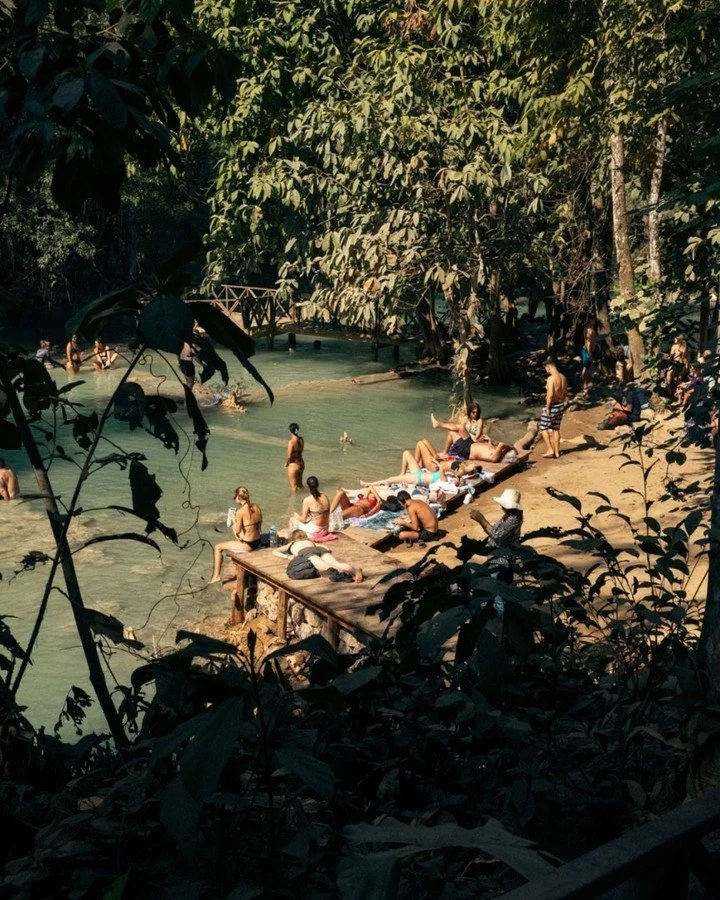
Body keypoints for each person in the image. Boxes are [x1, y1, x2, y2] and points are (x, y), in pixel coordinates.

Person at [470, 488, 523, 585]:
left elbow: (496, 535)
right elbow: (494, 532)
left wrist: (481, 519)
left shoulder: (513, 519)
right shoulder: (509, 516)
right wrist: (481, 521)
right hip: (498, 557)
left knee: (498, 587)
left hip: (502, 560)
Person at [209, 487, 263, 583]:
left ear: (238, 498)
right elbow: (258, 526)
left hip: (248, 546)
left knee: (218, 547)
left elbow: (237, 531)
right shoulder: (256, 507)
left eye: (235, 497)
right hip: (257, 541)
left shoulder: (240, 512)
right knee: (245, 529)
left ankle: (216, 576)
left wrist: (233, 518)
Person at [273, 531, 364, 583]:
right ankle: (355, 571)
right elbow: (326, 547)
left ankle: (346, 576)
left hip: (306, 553)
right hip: (319, 550)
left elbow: (275, 551)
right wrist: (327, 552)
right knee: (337, 563)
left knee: (328, 567)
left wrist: (287, 557)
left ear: (292, 538)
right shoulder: (309, 541)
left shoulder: (291, 543)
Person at [539, 355, 568, 459]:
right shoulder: (563, 377)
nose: (546, 371)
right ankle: (557, 452)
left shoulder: (551, 378)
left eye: (546, 369)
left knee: (543, 427)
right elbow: (565, 392)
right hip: (561, 405)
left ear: (549, 367)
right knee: (556, 428)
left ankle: (550, 449)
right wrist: (562, 402)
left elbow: (550, 394)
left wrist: (547, 407)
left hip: (552, 405)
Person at [285, 423, 305, 493]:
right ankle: (302, 498)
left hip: (293, 464)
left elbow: (289, 456)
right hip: (301, 463)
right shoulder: (301, 439)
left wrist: (287, 463)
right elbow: (301, 450)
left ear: (290, 431)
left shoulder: (291, 442)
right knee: (300, 485)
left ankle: (292, 503)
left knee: (293, 487)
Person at [580, 326, 600, 393]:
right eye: (589, 333)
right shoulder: (588, 342)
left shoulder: (593, 340)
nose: (591, 334)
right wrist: (591, 360)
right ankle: (585, 385)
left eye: (592, 333)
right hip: (586, 354)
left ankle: (586, 384)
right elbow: (589, 352)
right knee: (586, 368)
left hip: (590, 354)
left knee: (588, 369)